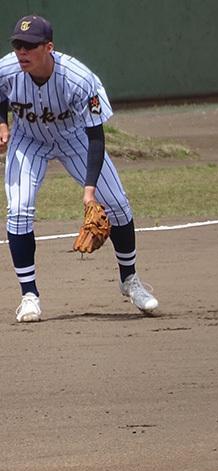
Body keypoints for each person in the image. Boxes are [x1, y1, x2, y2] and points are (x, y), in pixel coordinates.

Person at [0, 15, 158, 322]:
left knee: (117, 205)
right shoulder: (7, 68)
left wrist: (89, 192)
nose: (22, 52)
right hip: (28, 140)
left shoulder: (79, 79)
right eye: (18, 45)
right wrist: (2, 121)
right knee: (18, 210)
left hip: (76, 139)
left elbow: (96, 137)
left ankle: (130, 281)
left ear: (49, 47)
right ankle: (29, 296)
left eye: (30, 46)